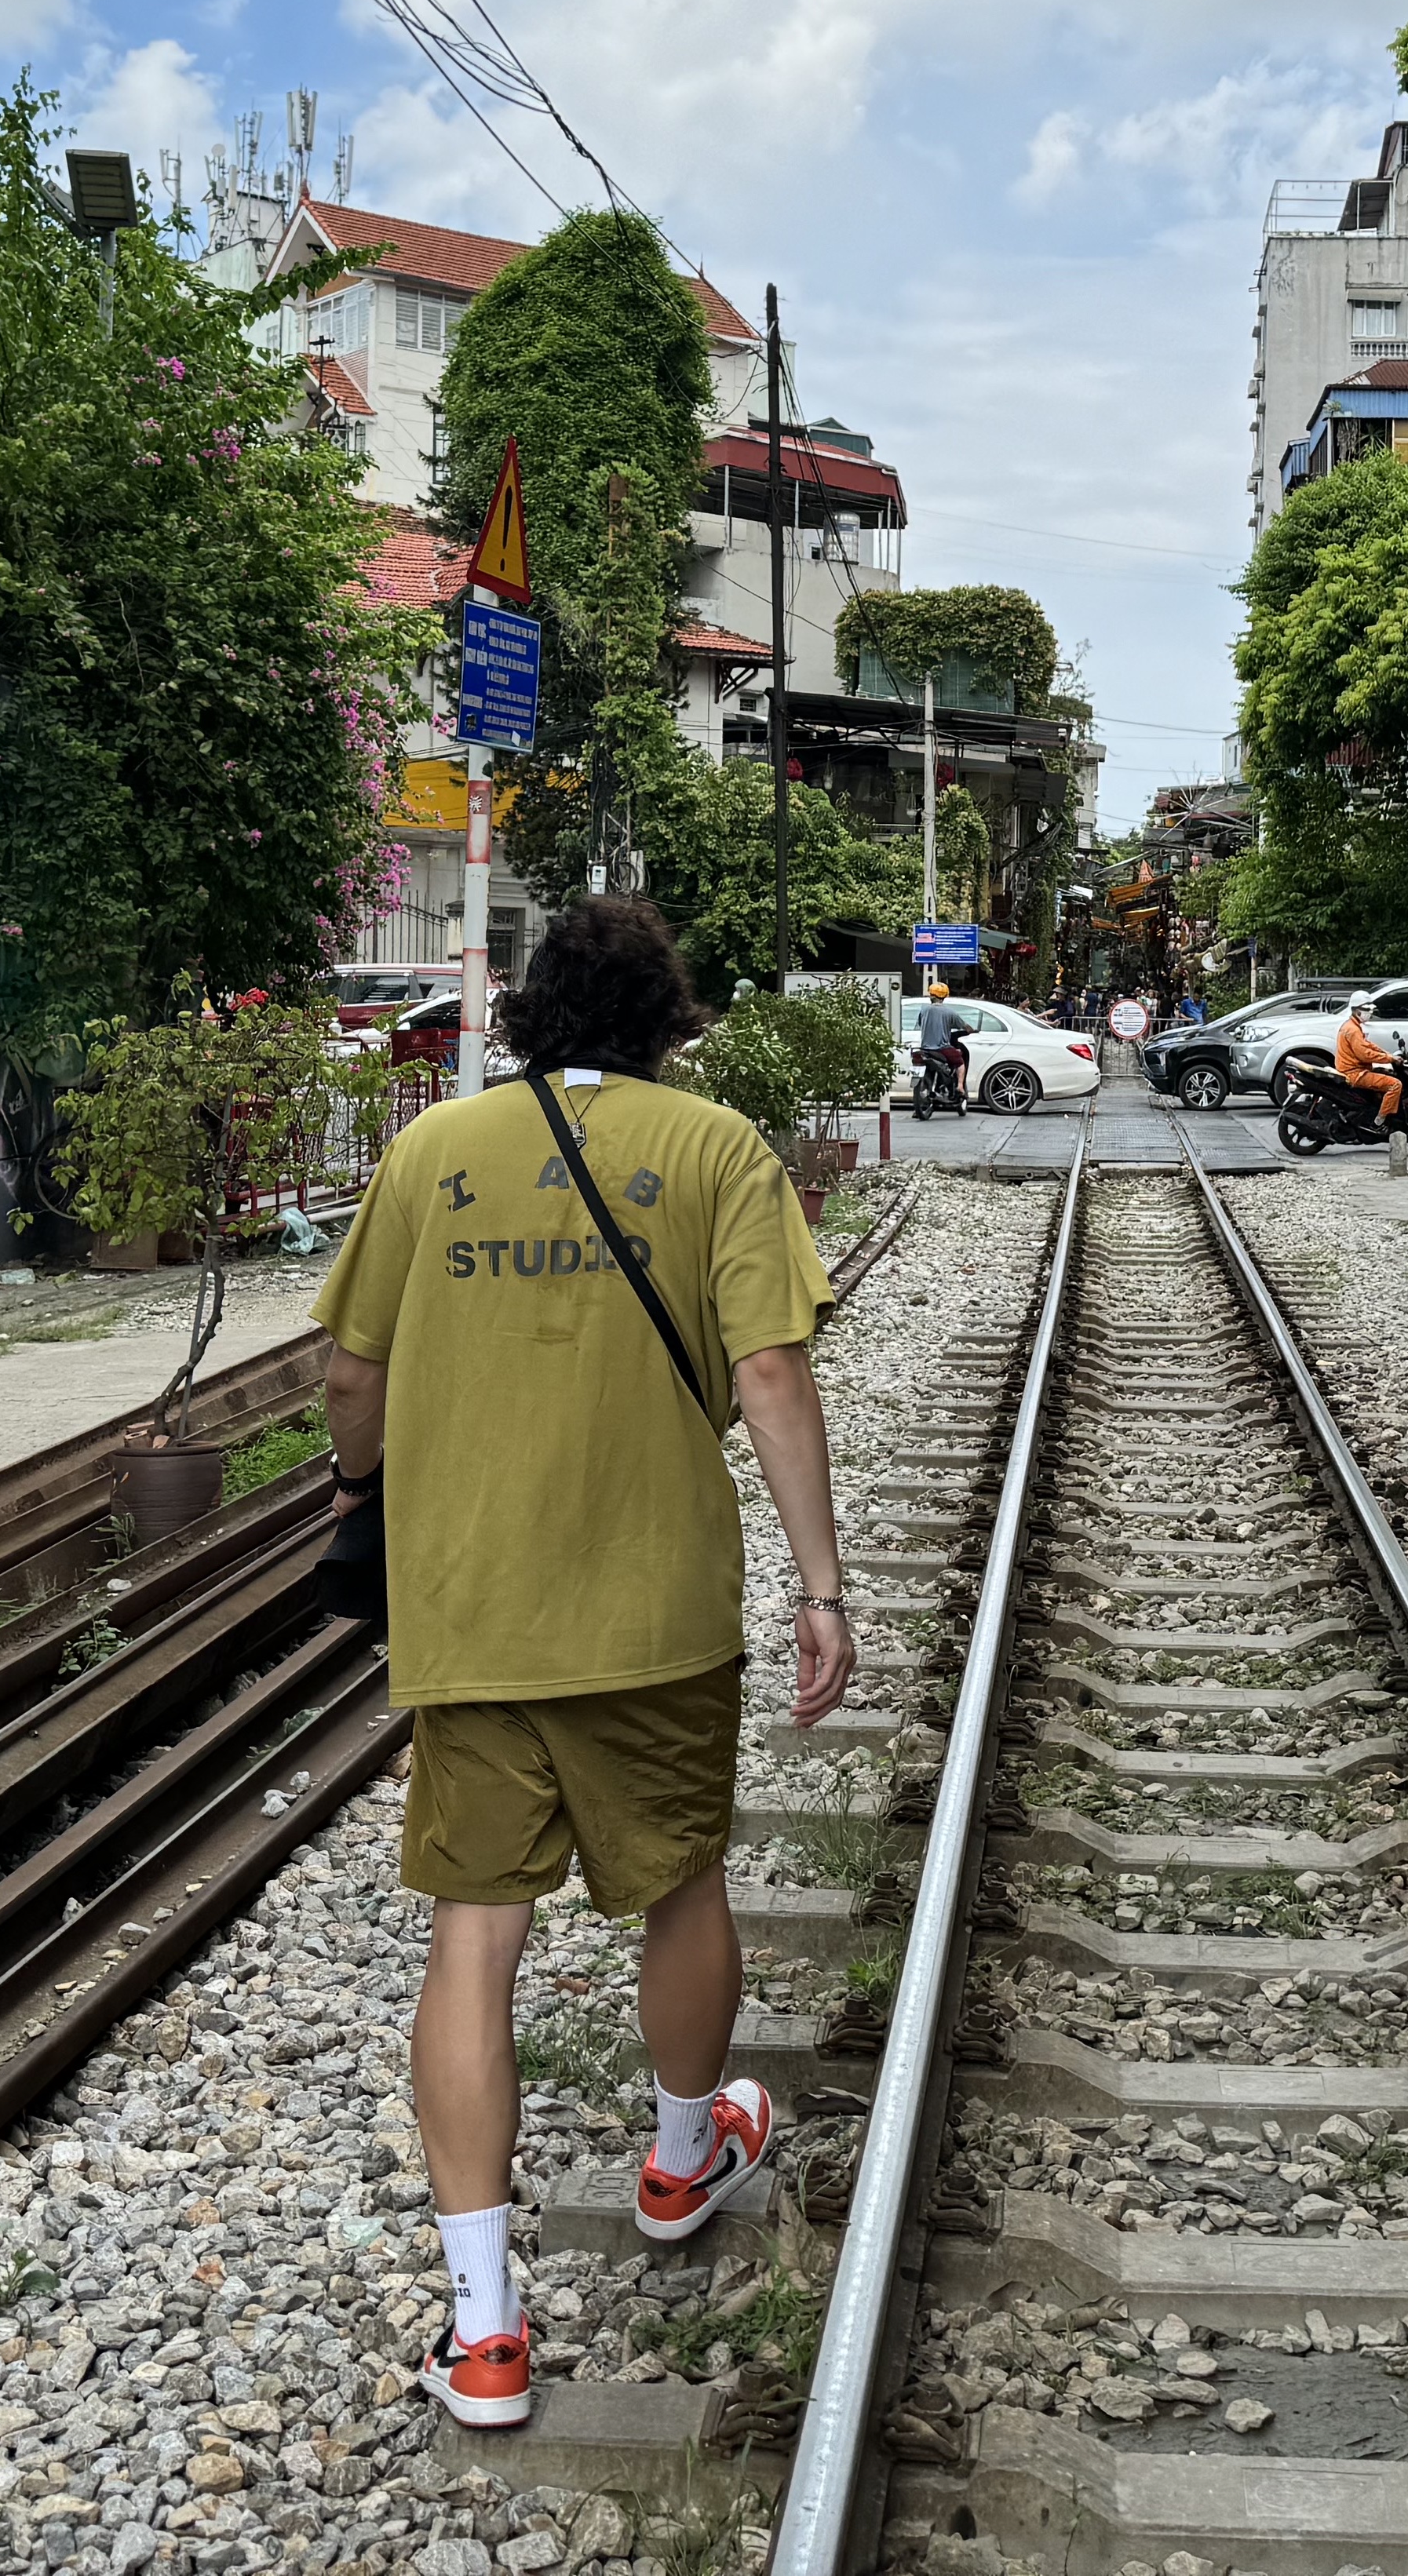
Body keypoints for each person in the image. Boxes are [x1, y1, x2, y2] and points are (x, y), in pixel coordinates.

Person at [314, 895, 854, 2432]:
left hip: (473, 1614)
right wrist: (822, 1585)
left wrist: (361, 1491)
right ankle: (685, 2158)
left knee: (474, 1943)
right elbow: (767, 1368)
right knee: (684, 1884)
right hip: (655, 1610)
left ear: (532, 1018)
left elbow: (352, 1375)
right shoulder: (718, 1151)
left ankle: (485, 2334)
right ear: (672, 1023)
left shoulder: (433, 1154)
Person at [1331, 990, 1404, 1126]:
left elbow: (1368, 1045)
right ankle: (1380, 1120)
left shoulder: (1352, 1026)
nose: (1369, 1013)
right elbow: (1364, 1054)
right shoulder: (1353, 1030)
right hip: (1355, 1074)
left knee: (1386, 1074)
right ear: (1355, 1010)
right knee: (1395, 1085)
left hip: (1354, 1070)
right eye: (1366, 1009)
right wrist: (1389, 1059)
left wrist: (1388, 1055)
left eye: (1370, 1009)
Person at [912, 976, 966, 1103]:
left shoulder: (924, 1010)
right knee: (960, 1063)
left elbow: (920, 1024)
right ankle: (960, 1086)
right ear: (945, 996)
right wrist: (972, 1030)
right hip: (942, 1048)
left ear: (931, 995)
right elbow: (965, 1026)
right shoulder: (950, 1013)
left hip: (924, 1048)